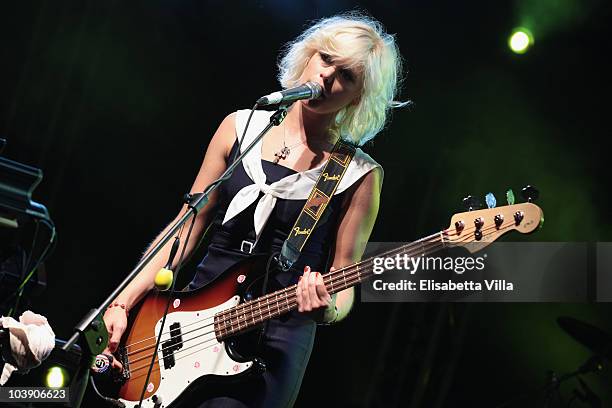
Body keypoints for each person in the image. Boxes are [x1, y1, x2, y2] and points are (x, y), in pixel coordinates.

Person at [103, 12, 405, 407]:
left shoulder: (358, 174)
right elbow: (185, 227)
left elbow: (344, 279)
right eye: (327, 59)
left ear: (358, 98)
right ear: (309, 55)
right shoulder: (241, 127)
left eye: (346, 76)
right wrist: (124, 302)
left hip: (275, 340)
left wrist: (327, 309)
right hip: (191, 321)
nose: (328, 76)